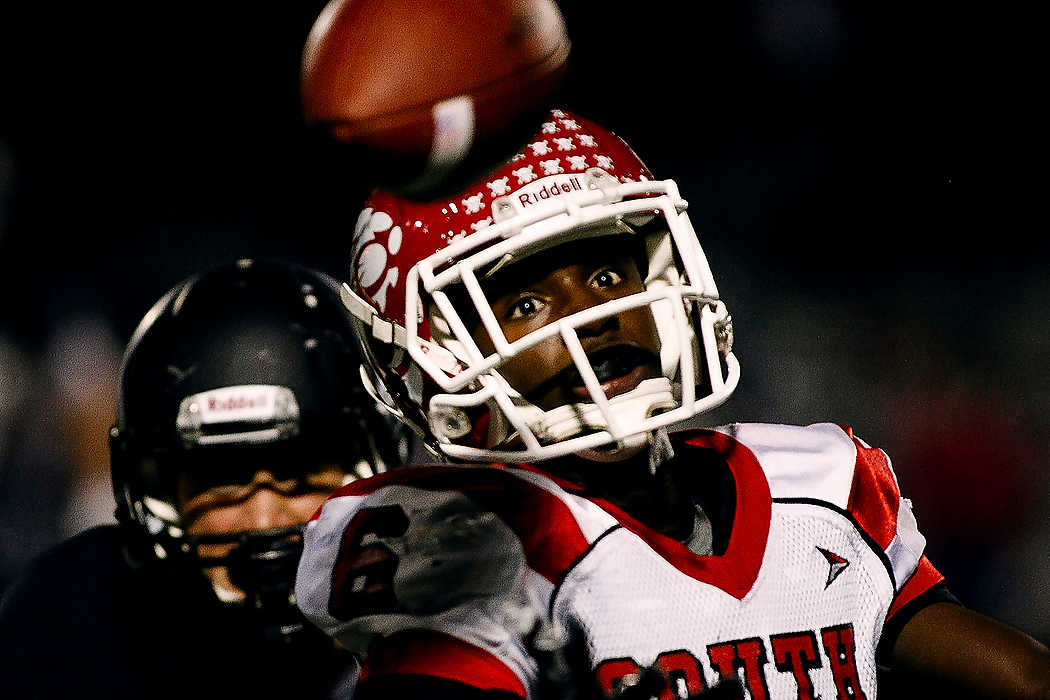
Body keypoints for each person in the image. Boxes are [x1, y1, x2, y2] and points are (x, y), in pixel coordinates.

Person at [293, 110, 1050, 699]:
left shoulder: (818, 486)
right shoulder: (460, 542)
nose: (594, 321)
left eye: (606, 277)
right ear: (426, 352)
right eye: (523, 303)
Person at [0, 259, 406, 699]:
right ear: (157, 491)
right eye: (224, 478)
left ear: (376, 460)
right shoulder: (67, 628)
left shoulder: (456, 618)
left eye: (298, 472)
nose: (263, 517)